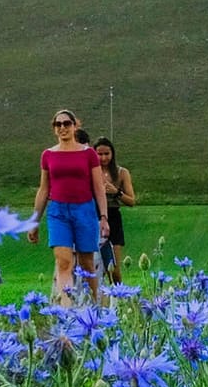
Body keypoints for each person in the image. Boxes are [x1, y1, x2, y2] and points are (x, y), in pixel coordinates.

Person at [27, 109, 107, 301]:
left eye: (66, 123)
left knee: (87, 264)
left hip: (84, 210)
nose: (62, 127)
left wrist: (103, 217)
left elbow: (98, 187)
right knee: (64, 263)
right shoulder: (48, 155)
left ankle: (96, 304)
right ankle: (66, 313)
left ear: (74, 126)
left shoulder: (88, 154)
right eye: (58, 124)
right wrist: (34, 221)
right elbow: (44, 189)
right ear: (54, 129)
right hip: (58, 212)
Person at [94, 137, 136, 282]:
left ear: (112, 154)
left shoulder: (122, 173)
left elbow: (131, 201)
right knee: (98, 267)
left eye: (107, 154)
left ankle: (119, 297)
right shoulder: (91, 173)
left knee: (114, 268)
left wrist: (116, 192)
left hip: (114, 218)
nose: (104, 158)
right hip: (95, 217)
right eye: (100, 154)